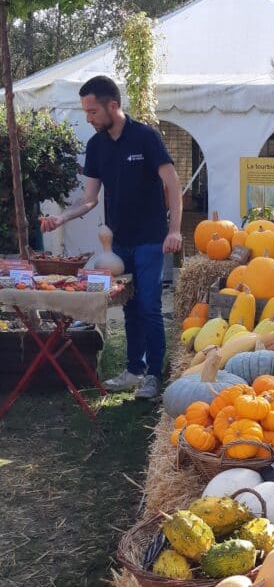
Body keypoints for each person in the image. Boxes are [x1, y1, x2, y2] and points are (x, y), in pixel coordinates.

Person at [40, 75, 183, 400]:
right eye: (86, 112)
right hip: (118, 245)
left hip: (150, 239)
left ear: (112, 106)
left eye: (92, 112)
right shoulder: (96, 146)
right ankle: (134, 370)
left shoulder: (146, 137)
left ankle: (153, 377)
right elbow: (90, 199)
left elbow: (172, 184)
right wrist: (61, 217)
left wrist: (174, 230)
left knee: (148, 306)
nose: (88, 118)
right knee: (130, 308)